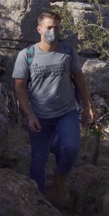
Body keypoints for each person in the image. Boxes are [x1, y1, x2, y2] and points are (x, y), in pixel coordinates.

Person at [12, 11, 96, 205]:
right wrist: (29, 114)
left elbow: (80, 82)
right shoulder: (27, 55)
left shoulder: (67, 52)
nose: (53, 31)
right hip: (39, 115)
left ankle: (60, 180)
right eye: (49, 27)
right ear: (39, 29)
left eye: (56, 27)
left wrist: (87, 107)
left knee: (72, 147)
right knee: (38, 160)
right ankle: (38, 203)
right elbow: (19, 88)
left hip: (66, 111)